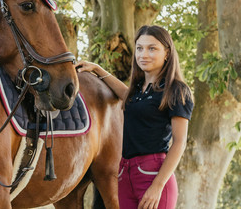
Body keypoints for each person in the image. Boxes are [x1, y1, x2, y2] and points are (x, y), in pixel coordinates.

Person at [76, 25, 193, 209]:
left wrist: (157, 186)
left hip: (154, 173)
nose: (143, 54)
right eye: (139, 48)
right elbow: (125, 94)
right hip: (124, 173)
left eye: (152, 48)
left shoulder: (176, 90)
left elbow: (179, 143)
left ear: (167, 53)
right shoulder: (139, 90)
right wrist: (98, 70)